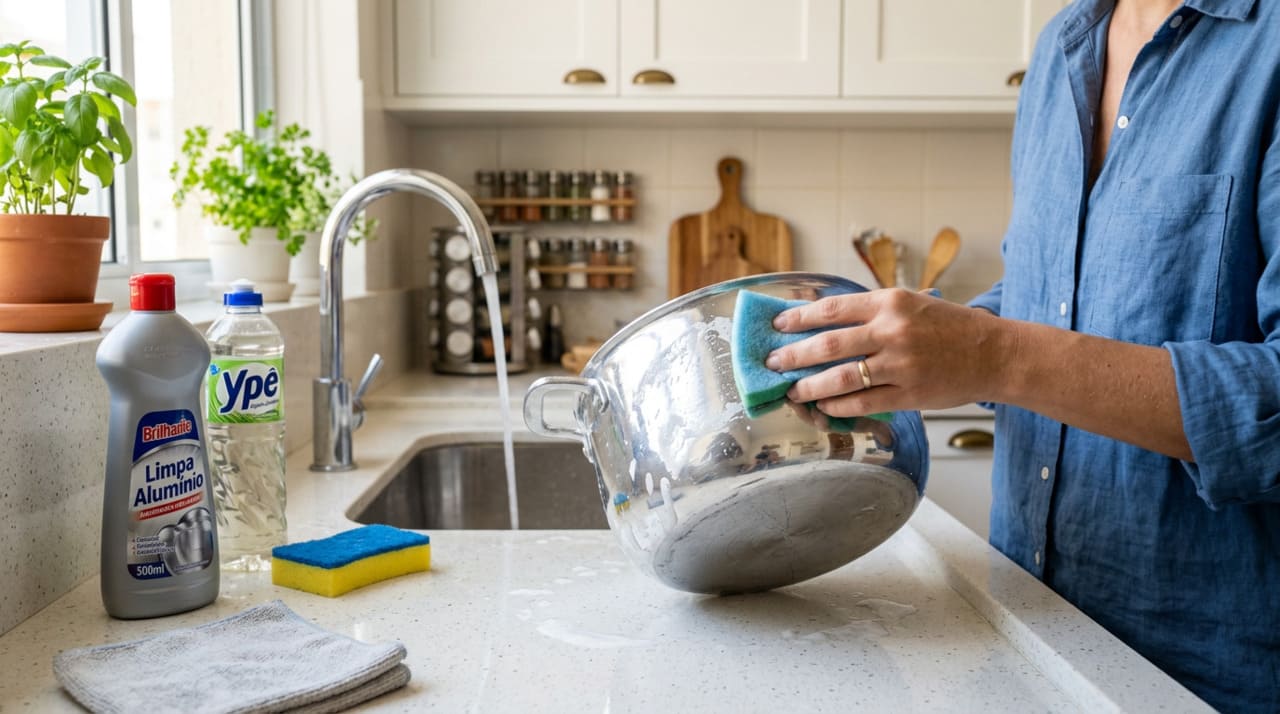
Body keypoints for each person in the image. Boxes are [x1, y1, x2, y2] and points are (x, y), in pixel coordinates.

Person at [763, 0, 1279, 710]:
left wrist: (989, 354)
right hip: (1024, 636)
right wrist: (922, 348)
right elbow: (1051, 296)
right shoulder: (1063, 49)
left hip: (1208, 677)